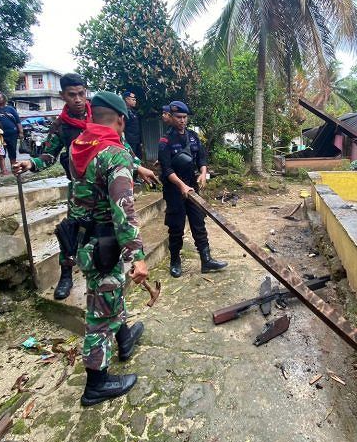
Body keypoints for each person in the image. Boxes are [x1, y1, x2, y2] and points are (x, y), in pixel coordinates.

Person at [12, 73, 158, 300]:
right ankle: (67, 275)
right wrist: (31, 163)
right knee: (74, 233)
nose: (78, 99)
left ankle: (113, 313)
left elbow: (121, 146)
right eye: (72, 95)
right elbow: (48, 155)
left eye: (81, 94)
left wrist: (137, 166)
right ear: (63, 96)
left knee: (104, 241)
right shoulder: (63, 126)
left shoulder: (98, 118)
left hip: (105, 188)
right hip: (81, 190)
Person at [68, 91, 147, 405]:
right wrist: (137, 255)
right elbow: (123, 208)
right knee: (100, 314)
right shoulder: (113, 153)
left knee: (110, 295)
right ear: (121, 119)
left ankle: (125, 341)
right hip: (105, 242)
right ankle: (96, 384)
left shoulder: (81, 146)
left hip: (87, 239)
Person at [158, 100, 227, 278]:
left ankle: (206, 260)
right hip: (175, 190)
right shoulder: (165, 141)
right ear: (171, 117)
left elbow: (202, 158)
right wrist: (181, 185)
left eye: (184, 117)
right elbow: (166, 169)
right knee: (176, 227)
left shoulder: (193, 137)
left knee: (199, 223)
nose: (182, 120)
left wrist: (203, 173)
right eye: (178, 117)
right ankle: (175, 261)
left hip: (193, 188)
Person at [0, 92, 23, 169]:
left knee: (12, 151)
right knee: (1, 153)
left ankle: (14, 167)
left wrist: (21, 132)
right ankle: (3, 169)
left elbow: (18, 121)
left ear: (4, 99)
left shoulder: (11, 109)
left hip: (12, 134)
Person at [122, 90, 142, 159]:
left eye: (135, 100)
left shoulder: (133, 112)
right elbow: (123, 128)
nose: (135, 101)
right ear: (127, 99)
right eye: (133, 100)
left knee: (138, 159)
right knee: (130, 159)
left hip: (136, 141)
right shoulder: (123, 112)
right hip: (129, 141)